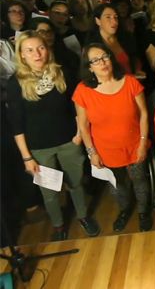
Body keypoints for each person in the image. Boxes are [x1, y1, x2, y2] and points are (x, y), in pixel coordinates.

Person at [7, 31, 100, 241]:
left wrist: (78, 134)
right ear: (21, 55)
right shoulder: (16, 83)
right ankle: (58, 225)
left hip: (69, 141)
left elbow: (76, 106)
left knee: (76, 183)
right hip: (39, 149)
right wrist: (26, 157)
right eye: (29, 50)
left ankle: (83, 216)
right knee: (49, 191)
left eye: (40, 48)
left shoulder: (62, 73)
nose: (37, 54)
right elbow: (16, 125)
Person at [73, 43, 152, 232]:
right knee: (118, 185)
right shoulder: (83, 90)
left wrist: (142, 143)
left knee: (139, 180)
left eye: (105, 56)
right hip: (105, 149)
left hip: (134, 143)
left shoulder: (130, 82)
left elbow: (144, 114)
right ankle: (125, 210)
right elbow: (83, 126)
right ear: (89, 67)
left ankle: (143, 212)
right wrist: (92, 152)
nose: (102, 62)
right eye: (95, 60)